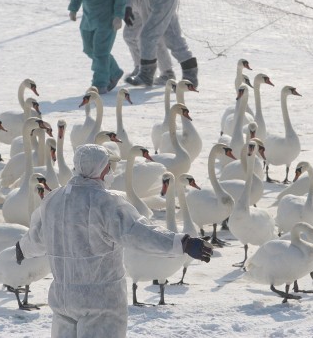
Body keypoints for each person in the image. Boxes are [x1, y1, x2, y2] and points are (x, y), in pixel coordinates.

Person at [15, 143, 212, 337]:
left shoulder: (53, 200)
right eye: (108, 167)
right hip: (100, 302)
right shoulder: (107, 203)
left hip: (63, 300)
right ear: (101, 169)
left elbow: (39, 235)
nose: (110, 171)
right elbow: (139, 233)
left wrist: (23, 248)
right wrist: (182, 243)